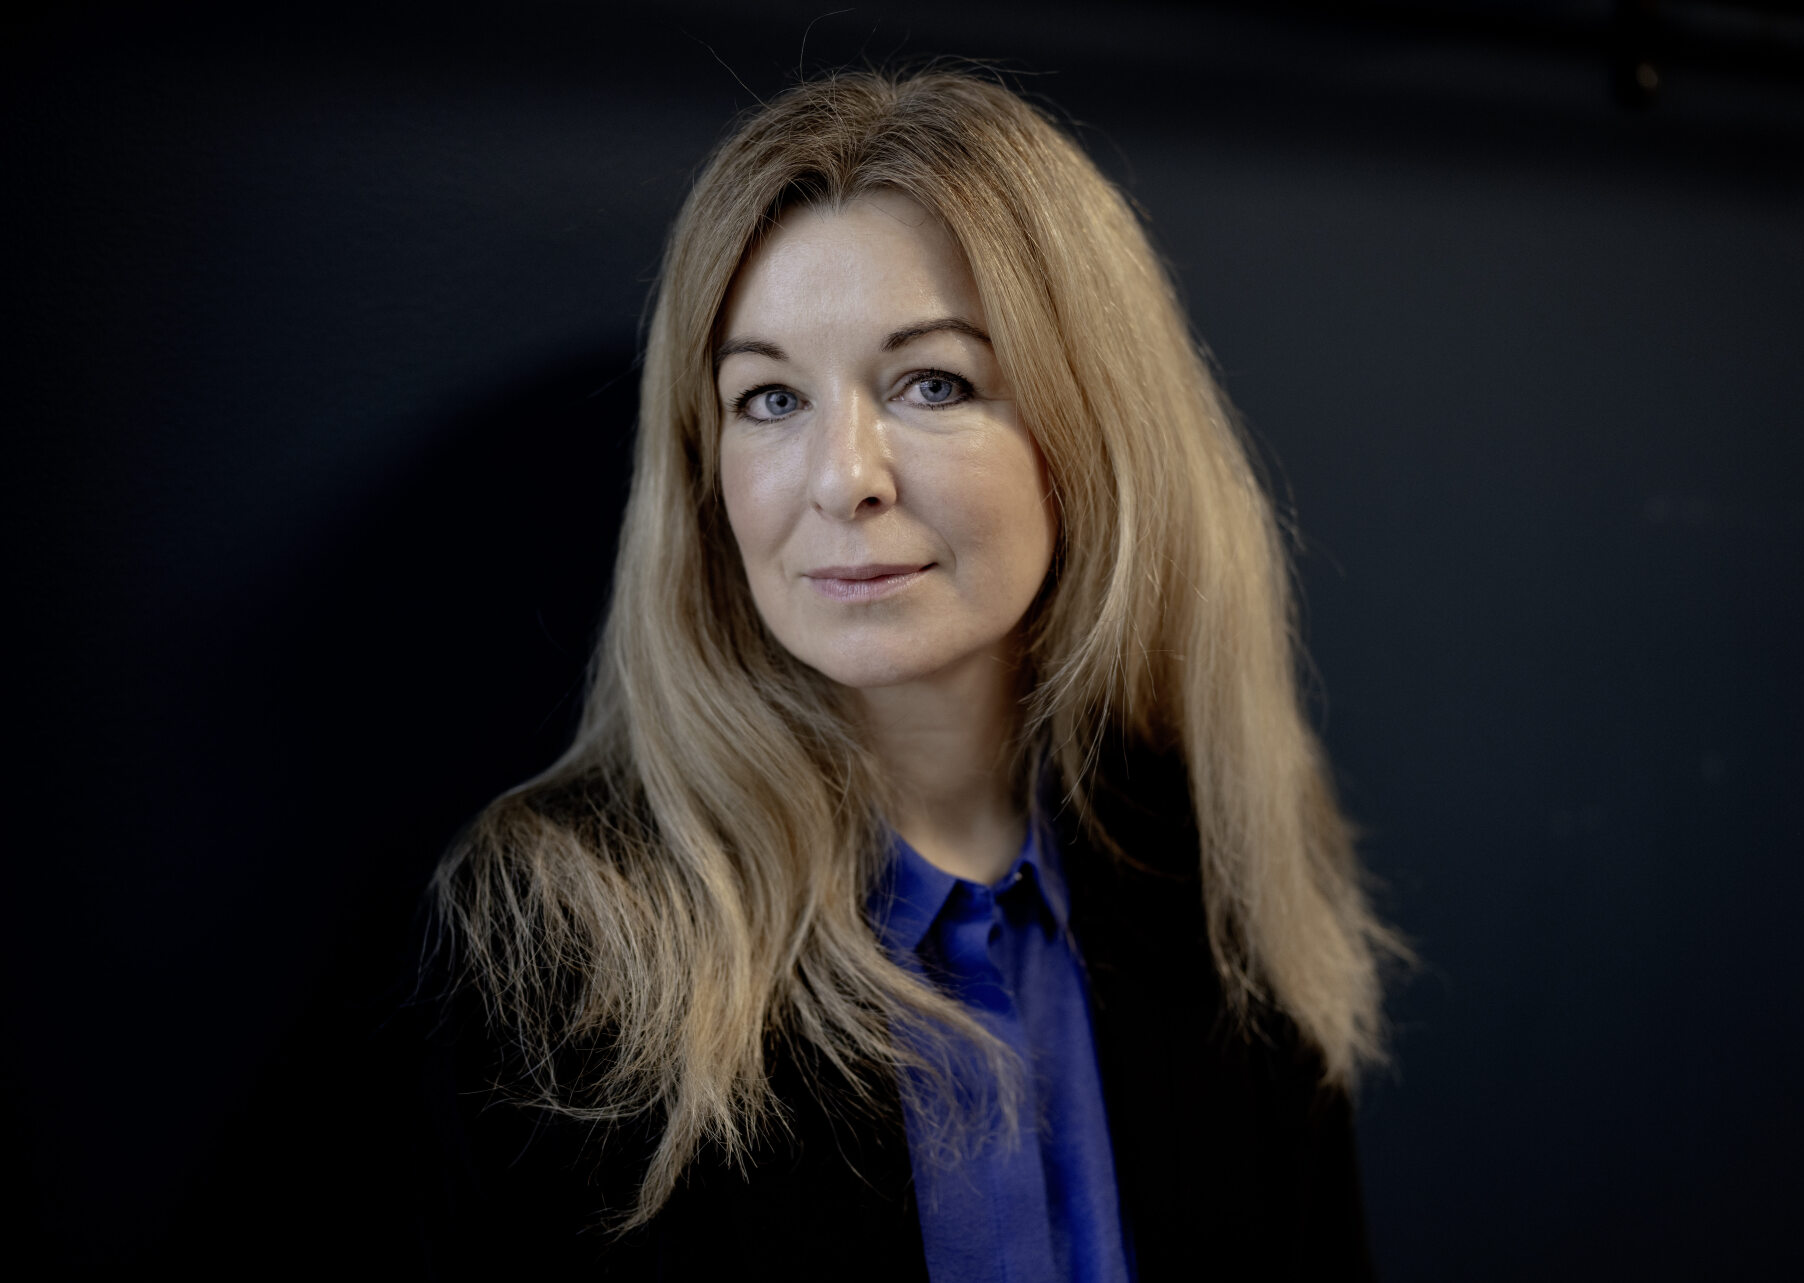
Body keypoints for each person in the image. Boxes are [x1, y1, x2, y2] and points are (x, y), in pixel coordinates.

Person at [414, 67, 1397, 1281]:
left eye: (933, 383)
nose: (843, 477)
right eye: (770, 396)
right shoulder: (559, 939)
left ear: (1094, 431)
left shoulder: (1218, 866)